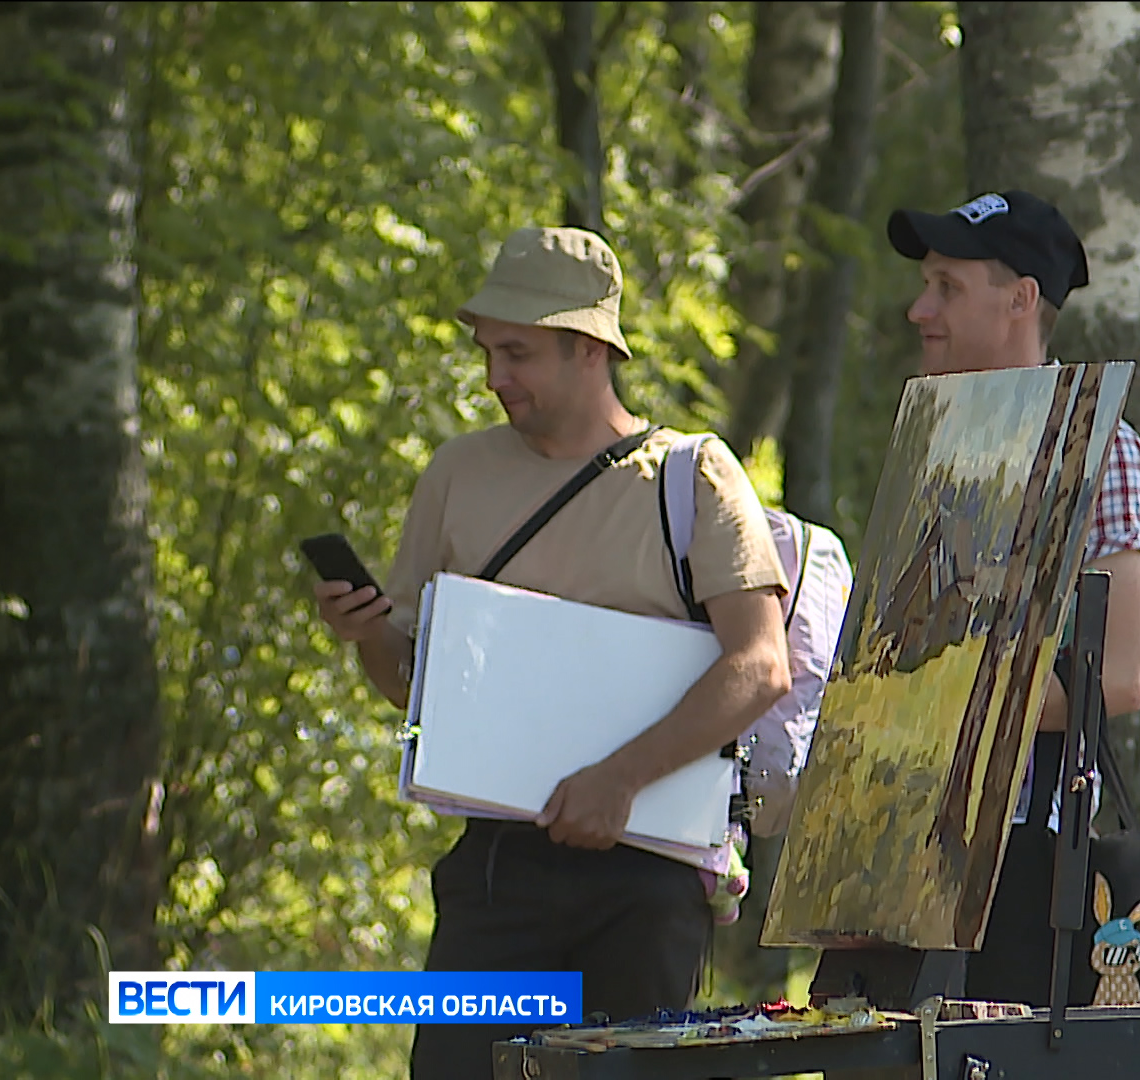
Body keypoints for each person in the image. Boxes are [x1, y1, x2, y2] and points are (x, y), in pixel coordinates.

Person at [310, 226, 791, 1080]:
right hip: (494, 874)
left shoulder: (694, 476)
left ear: (587, 349)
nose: (496, 377)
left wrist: (619, 781)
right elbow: (409, 684)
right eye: (489, 351)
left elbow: (759, 666)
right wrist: (367, 635)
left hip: (646, 877)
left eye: (518, 353)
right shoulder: (456, 473)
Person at [885, 190, 1140, 1003]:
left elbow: (1119, 676)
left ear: (1021, 301)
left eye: (946, 286)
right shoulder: (934, 444)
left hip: (1024, 876)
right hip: (900, 860)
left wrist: (937, 701)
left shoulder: (1097, 450)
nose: (919, 309)